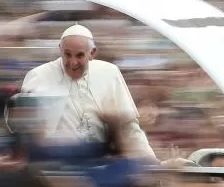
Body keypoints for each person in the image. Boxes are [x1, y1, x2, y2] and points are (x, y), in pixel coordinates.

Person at [21, 24, 157, 161]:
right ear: (60, 50)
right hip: (55, 159)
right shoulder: (38, 76)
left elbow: (130, 128)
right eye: (67, 55)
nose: (73, 62)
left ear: (92, 53)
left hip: (100, 158)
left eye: (79, 56)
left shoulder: (109, 73)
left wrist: (153, 163)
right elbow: (25, 129)